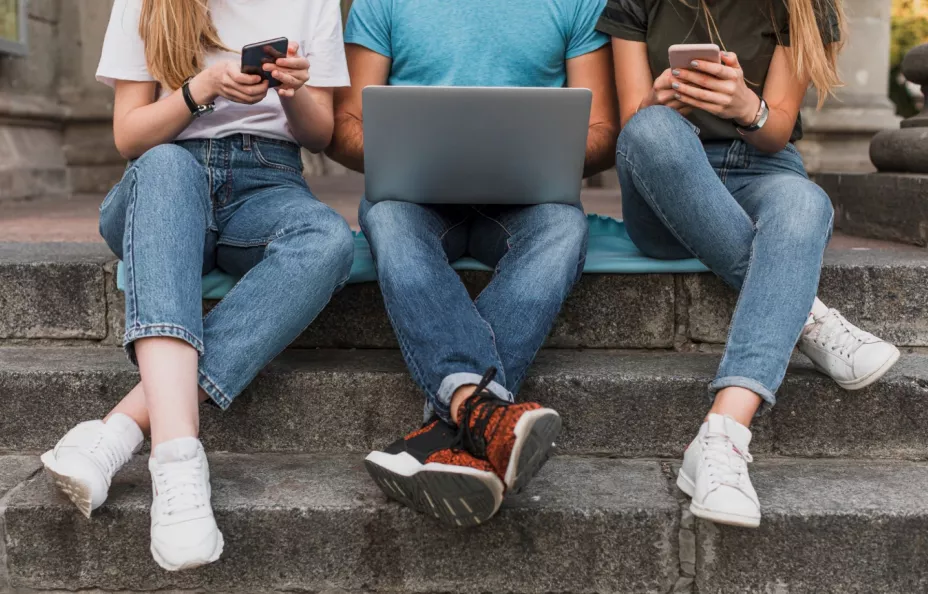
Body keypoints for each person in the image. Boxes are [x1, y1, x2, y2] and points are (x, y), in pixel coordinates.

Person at [40, 0, 352, 570]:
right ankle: (179, 460)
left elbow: (320, 133)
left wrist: (293, 91)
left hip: (268, 179)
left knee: (328, 239)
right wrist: (200, 86)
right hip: (162, 175)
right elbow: (129, 137)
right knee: (165, 166)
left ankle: (119, 431)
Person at [597, 0, 900, 528]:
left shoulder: (804, 6)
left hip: (760, 166)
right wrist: (658, 100)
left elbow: (776, 130)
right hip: (665, 176)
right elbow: (631, 124)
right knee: (650, 129)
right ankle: (805, 312)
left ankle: (722, 437)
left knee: (806, 203)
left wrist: (746, 106)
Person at [327, 0, 619, 526]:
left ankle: (448, 425)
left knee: (564, 230)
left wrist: (527, 153)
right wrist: (417, 153)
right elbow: (343, 125)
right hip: (413, 198)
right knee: (390, 223)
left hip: (528, 202)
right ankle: (483, 416)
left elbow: (603, 130)